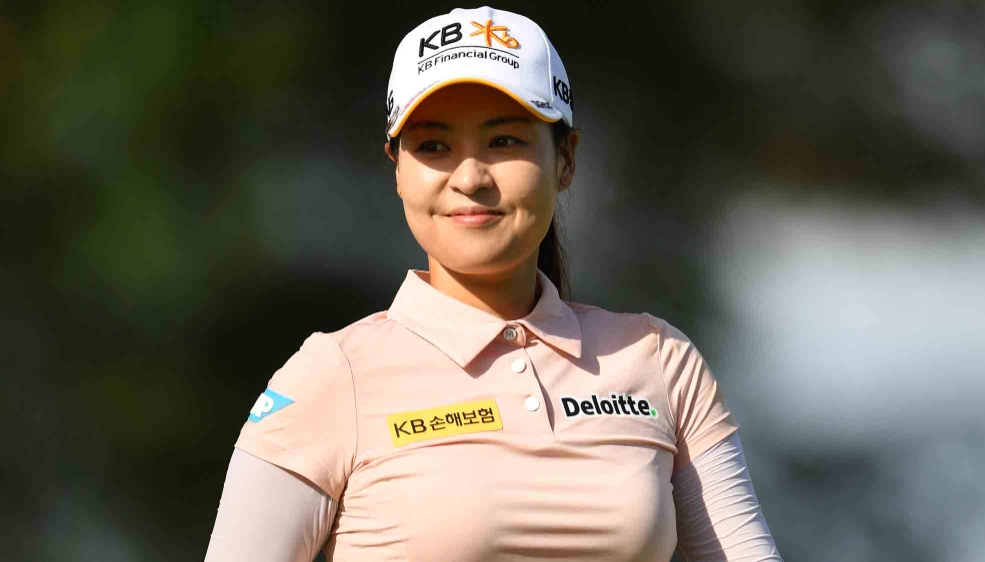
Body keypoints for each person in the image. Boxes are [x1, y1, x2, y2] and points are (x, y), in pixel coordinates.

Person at [205, 6, 782, 561]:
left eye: (504, 141)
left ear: (566, 159)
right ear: (398, 169)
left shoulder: (659, 360)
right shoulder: (332, 377)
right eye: (433, 146)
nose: (470, 178)